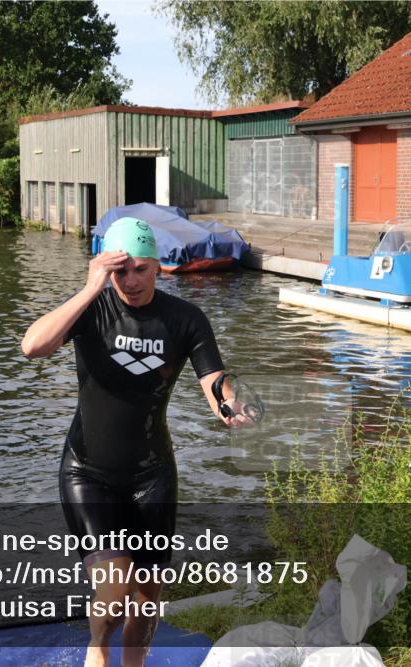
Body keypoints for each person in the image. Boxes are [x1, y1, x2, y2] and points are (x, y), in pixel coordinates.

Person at [21, 217, 254, 667]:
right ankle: (97, 645)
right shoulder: (93, 310)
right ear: (107, 271)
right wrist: (91, 287)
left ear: (160, 267)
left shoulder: (184, 319)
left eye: (140, 269)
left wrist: (228, 404)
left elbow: (213, 380)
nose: (130, 280)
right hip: (89, 473)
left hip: (152, 475)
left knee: (146, 597)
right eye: (119, 271)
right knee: (112, 595)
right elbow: (33, 346)